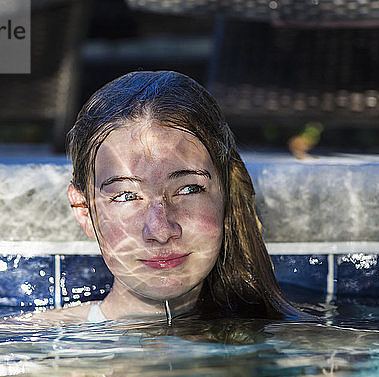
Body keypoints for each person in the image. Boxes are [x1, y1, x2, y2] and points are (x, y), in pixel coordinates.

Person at [44, 70, 306, 323]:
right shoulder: (37, 356)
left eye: (189, 189)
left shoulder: (302, 351)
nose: (161, 230)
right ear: (84, 210)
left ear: (225, 195)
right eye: (126, 196)